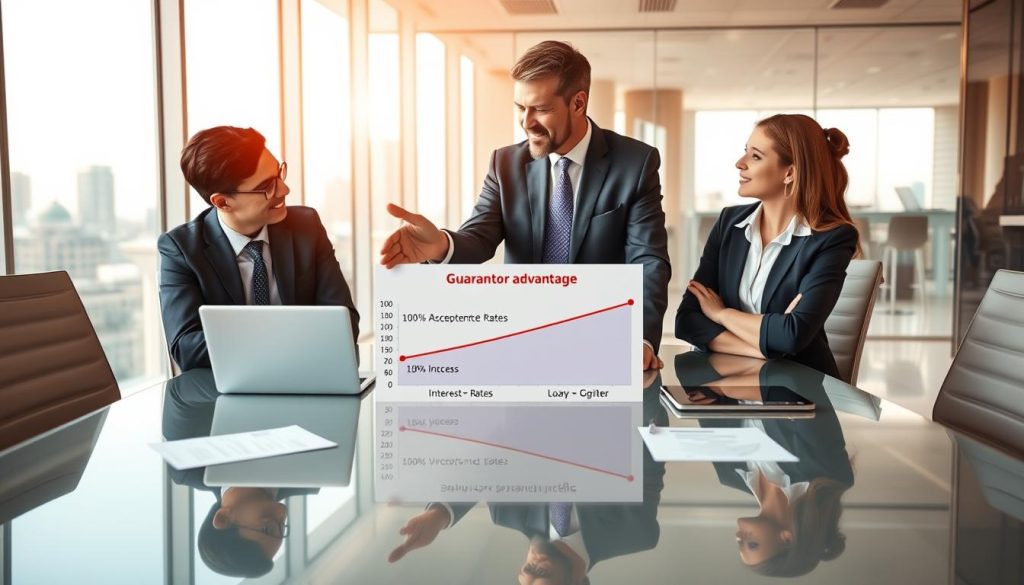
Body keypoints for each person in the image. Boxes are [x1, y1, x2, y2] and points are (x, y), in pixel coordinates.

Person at [378, 40, 671, 370]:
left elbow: (648, 259)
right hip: (521, 340)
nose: (526, 122)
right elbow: (478, 239)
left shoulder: (635, 163)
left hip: (602, 340)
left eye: (541, 109)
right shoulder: (505, 164)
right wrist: (440, 246)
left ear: (578, 102)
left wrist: (641, 338)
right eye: (520, 107)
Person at [158, 126, 358, 371]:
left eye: (279, 174)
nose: (284, 190)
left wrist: (248, 341)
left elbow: (344, 322)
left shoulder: (307, 227)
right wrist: (291, 334)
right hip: (227, 396)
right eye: (267, 187)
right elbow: (186, 348)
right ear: (222, 202)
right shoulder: (181, 250)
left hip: (307, 378)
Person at [675, 114, 859, 378]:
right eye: (745, 152)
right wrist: (762, 348)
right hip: (728, 384)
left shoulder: (831, 239)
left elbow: (792, 335)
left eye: (756, 156)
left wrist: (721, 313)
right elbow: (687, 320)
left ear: (790, 173)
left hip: (798, 392)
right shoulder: (729, 223)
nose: (740, 163)